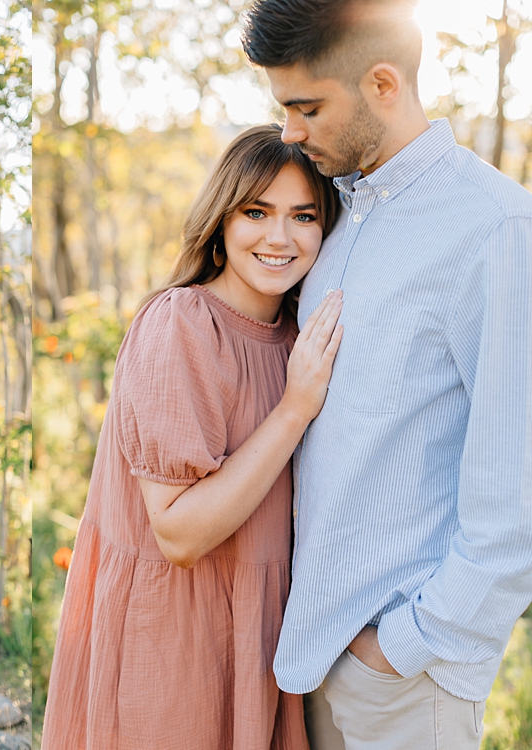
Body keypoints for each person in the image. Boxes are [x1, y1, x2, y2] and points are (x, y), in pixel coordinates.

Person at [241, 1, 532, 748]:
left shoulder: (494, 227)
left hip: (403, 677)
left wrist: (404, 646)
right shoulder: (333, 219)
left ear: (381, 84)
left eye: (307, 106)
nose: (290, 132)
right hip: (311, 657)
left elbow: (517, 496)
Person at [41, 125, 342, 749]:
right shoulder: (182, 323)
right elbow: (178, 533)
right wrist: (294, 409)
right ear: (222, 220)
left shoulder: (297, 337)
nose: (279, 237)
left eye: (303, 216)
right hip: (174, 637)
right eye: (256, 211)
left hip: (260, 635)